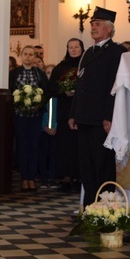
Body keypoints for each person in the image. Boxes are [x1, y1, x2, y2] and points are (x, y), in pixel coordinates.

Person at [68, 7, 127, 207]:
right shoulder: (88, 53)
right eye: (92, 24)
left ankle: (106, 209)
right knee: (86, 166)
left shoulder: (117, 51)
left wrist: (109, 116)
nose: (93, 27)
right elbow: (80, 84)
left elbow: (114, 85)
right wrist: (73, 113)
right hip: (84, 117)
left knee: (103, 165)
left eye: (98, 24)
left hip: (101, 119)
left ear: (109, 29)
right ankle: (89, 210)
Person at [9, 45, 49, 192]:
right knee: (22, 145)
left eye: (31, 55)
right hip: (19, 116)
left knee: (34, 145)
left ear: (34, 57)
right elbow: (10, 91)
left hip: (35, 115)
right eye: (25, 54)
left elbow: (45, 92)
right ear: (21, 56)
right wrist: (18, 103)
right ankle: (23, 177)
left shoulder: (40, 73)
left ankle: (31, 177)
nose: (28, 57)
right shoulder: (14, 73)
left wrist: (38, 104)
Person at [48, 38, 84, 192]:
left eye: (76, 47)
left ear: (82, 49)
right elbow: (51, 89)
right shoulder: (60, 67)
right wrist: (64, 91)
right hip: (64, 111)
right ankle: (66, 178)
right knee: (64, 146)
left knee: (79, 146)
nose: (73, 50)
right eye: (70, 47)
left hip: (82, 111)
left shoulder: (86, 65)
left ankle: (79, 177)